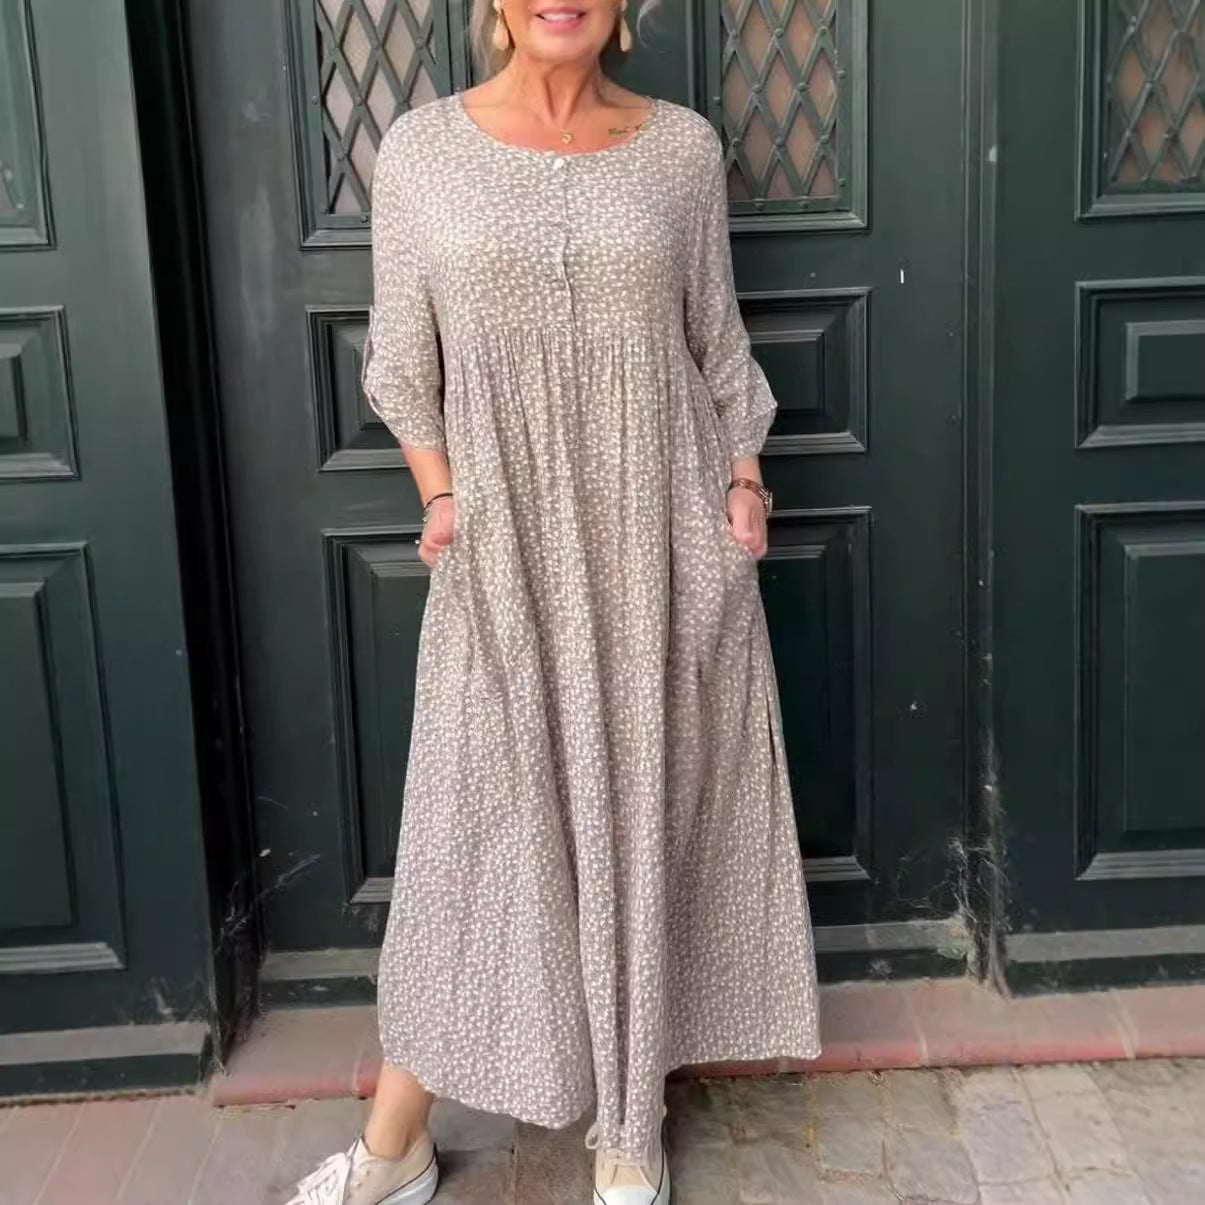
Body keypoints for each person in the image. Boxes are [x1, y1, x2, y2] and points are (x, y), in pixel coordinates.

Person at [286, 1, 821, 1202]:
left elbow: (716, 341)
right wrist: (442, 497)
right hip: (505, 546)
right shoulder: (424, 151)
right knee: (473, 835)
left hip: (659, 539)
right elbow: (400, 364)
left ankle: (628, 1126)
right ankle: (398, 1140)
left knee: (645, 816)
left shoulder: (680, 150)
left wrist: (742, 482)